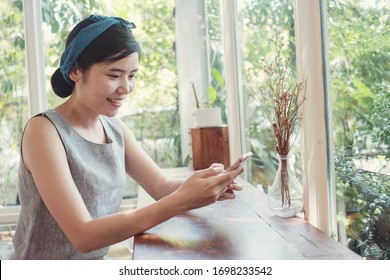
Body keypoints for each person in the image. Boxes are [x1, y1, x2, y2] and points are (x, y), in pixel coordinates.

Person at [12, 14, 243, 260]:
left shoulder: (114, 127)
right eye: (114, 75)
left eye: (132, 75)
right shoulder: (44, 131)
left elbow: (161, 186)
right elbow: (84, 235)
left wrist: (207, 184)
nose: (126, 87)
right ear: (76, 71)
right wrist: (181, 201)